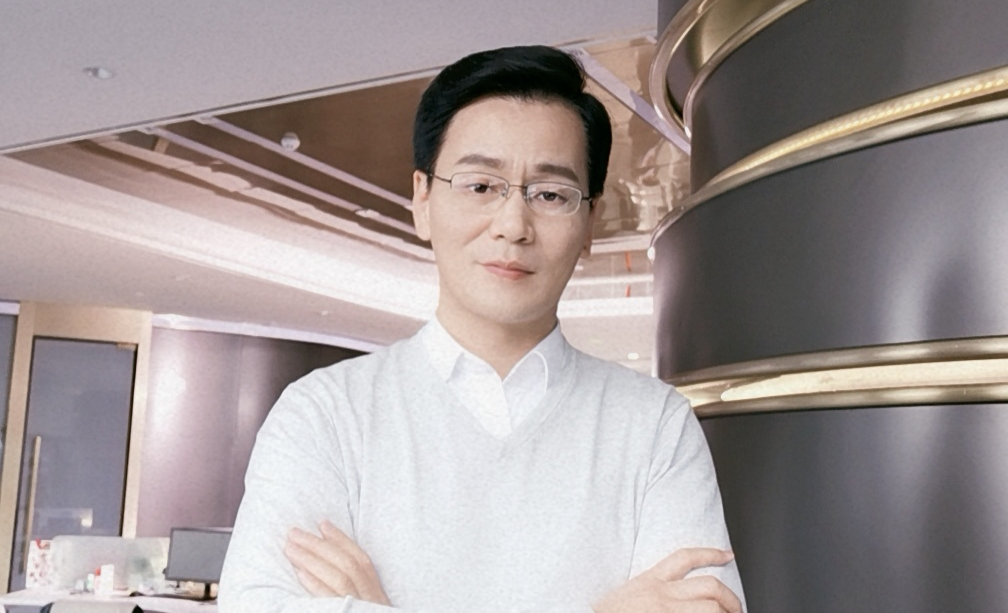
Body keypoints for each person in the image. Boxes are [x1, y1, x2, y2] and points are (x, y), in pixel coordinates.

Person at [218, 45, 745, 613]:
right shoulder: (324, 414)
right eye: (480, 186)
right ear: (422, 199)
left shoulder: (654, 426)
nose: (513, 225)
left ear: (590, 221)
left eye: (550, 194)